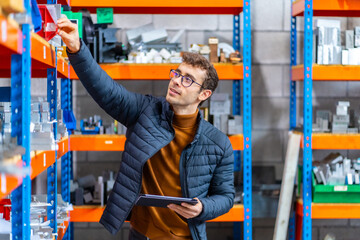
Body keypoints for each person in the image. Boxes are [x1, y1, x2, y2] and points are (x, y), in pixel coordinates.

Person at [57, 17, 235, 240]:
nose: (177, 81)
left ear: (204, 94)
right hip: (141, 235)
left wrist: (203, 208)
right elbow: (107, 90)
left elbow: (226, 196)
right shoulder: (145, 111)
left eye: (188, 80)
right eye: (177, 74)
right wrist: (77, 49)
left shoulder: (218, 143)